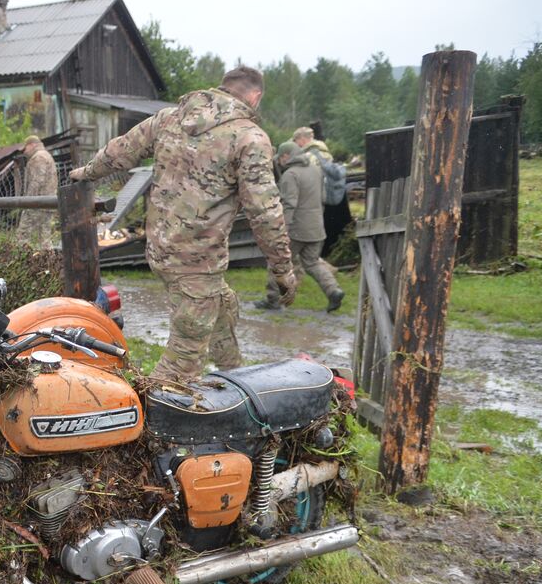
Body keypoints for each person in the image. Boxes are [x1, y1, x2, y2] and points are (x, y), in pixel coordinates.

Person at [69, 66, 295, 383]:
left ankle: (237, 377)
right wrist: (283, 268)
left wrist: (86, 172)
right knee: (180, 366)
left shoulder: (169, 118)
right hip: (198, 263)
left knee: (222, 304)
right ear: (255, 97)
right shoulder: (249, 138)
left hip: (161, 251)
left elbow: (122, 150)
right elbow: (265, 211)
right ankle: (147, 419)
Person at [256, 141, 343, 312]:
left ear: (287, 156)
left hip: (296, 230)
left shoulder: (291, 175)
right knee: (312, 263)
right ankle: (333, 291)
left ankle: (273, 301)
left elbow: (289, 204)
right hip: (317, 228)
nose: (279, 161)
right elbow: (324, 198)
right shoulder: (316, 170)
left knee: (278, 262)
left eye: (280, 157)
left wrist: (282, 229)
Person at [292, 126, 352, 258]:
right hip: (338, 194)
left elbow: (308, 178)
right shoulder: (325, 152)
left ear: (302, 139)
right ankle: (336, 253)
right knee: (337, 225)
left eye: (296, 140)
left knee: (323, 226)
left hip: (321, 195)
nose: (295, 144)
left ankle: (322, 255)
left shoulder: (309, 155)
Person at [18, 135, 58, 248]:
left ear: (31, 145)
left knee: (23, 235)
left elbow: (36, 182)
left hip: (37, 203)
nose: (24, 152)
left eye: (25, 149)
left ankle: (23, 261)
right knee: (45, 238)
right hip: (48, 203)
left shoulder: (38, 158)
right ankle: (48, 262)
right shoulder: (47, 156)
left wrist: (28, 202)